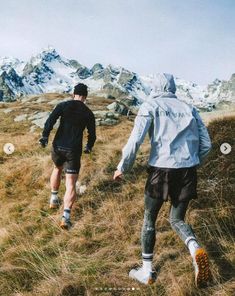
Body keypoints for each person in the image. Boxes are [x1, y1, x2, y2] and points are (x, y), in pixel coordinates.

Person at [113, 74, 212, 287]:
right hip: (187, 170)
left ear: (155, 87)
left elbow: (135, 140)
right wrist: (193, 162)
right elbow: (207, 145)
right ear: (173, 87)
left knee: (150, 217)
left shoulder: (151, 106)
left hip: (161, 170)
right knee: (177, 219)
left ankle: (147, 271)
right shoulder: (189, 108)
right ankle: (195, 249)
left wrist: (122, 166)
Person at [39, 83, 96, 229]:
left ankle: (53, 198)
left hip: (58, 146)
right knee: (70, 183)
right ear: (85, 96)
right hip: (73, 150)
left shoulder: (63, 105)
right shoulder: (88, 113)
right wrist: (89, 147)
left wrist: (45, 136)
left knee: (57, 168)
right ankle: (66, 217)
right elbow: (92, 134)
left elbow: (50, 120)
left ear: (74, 94)